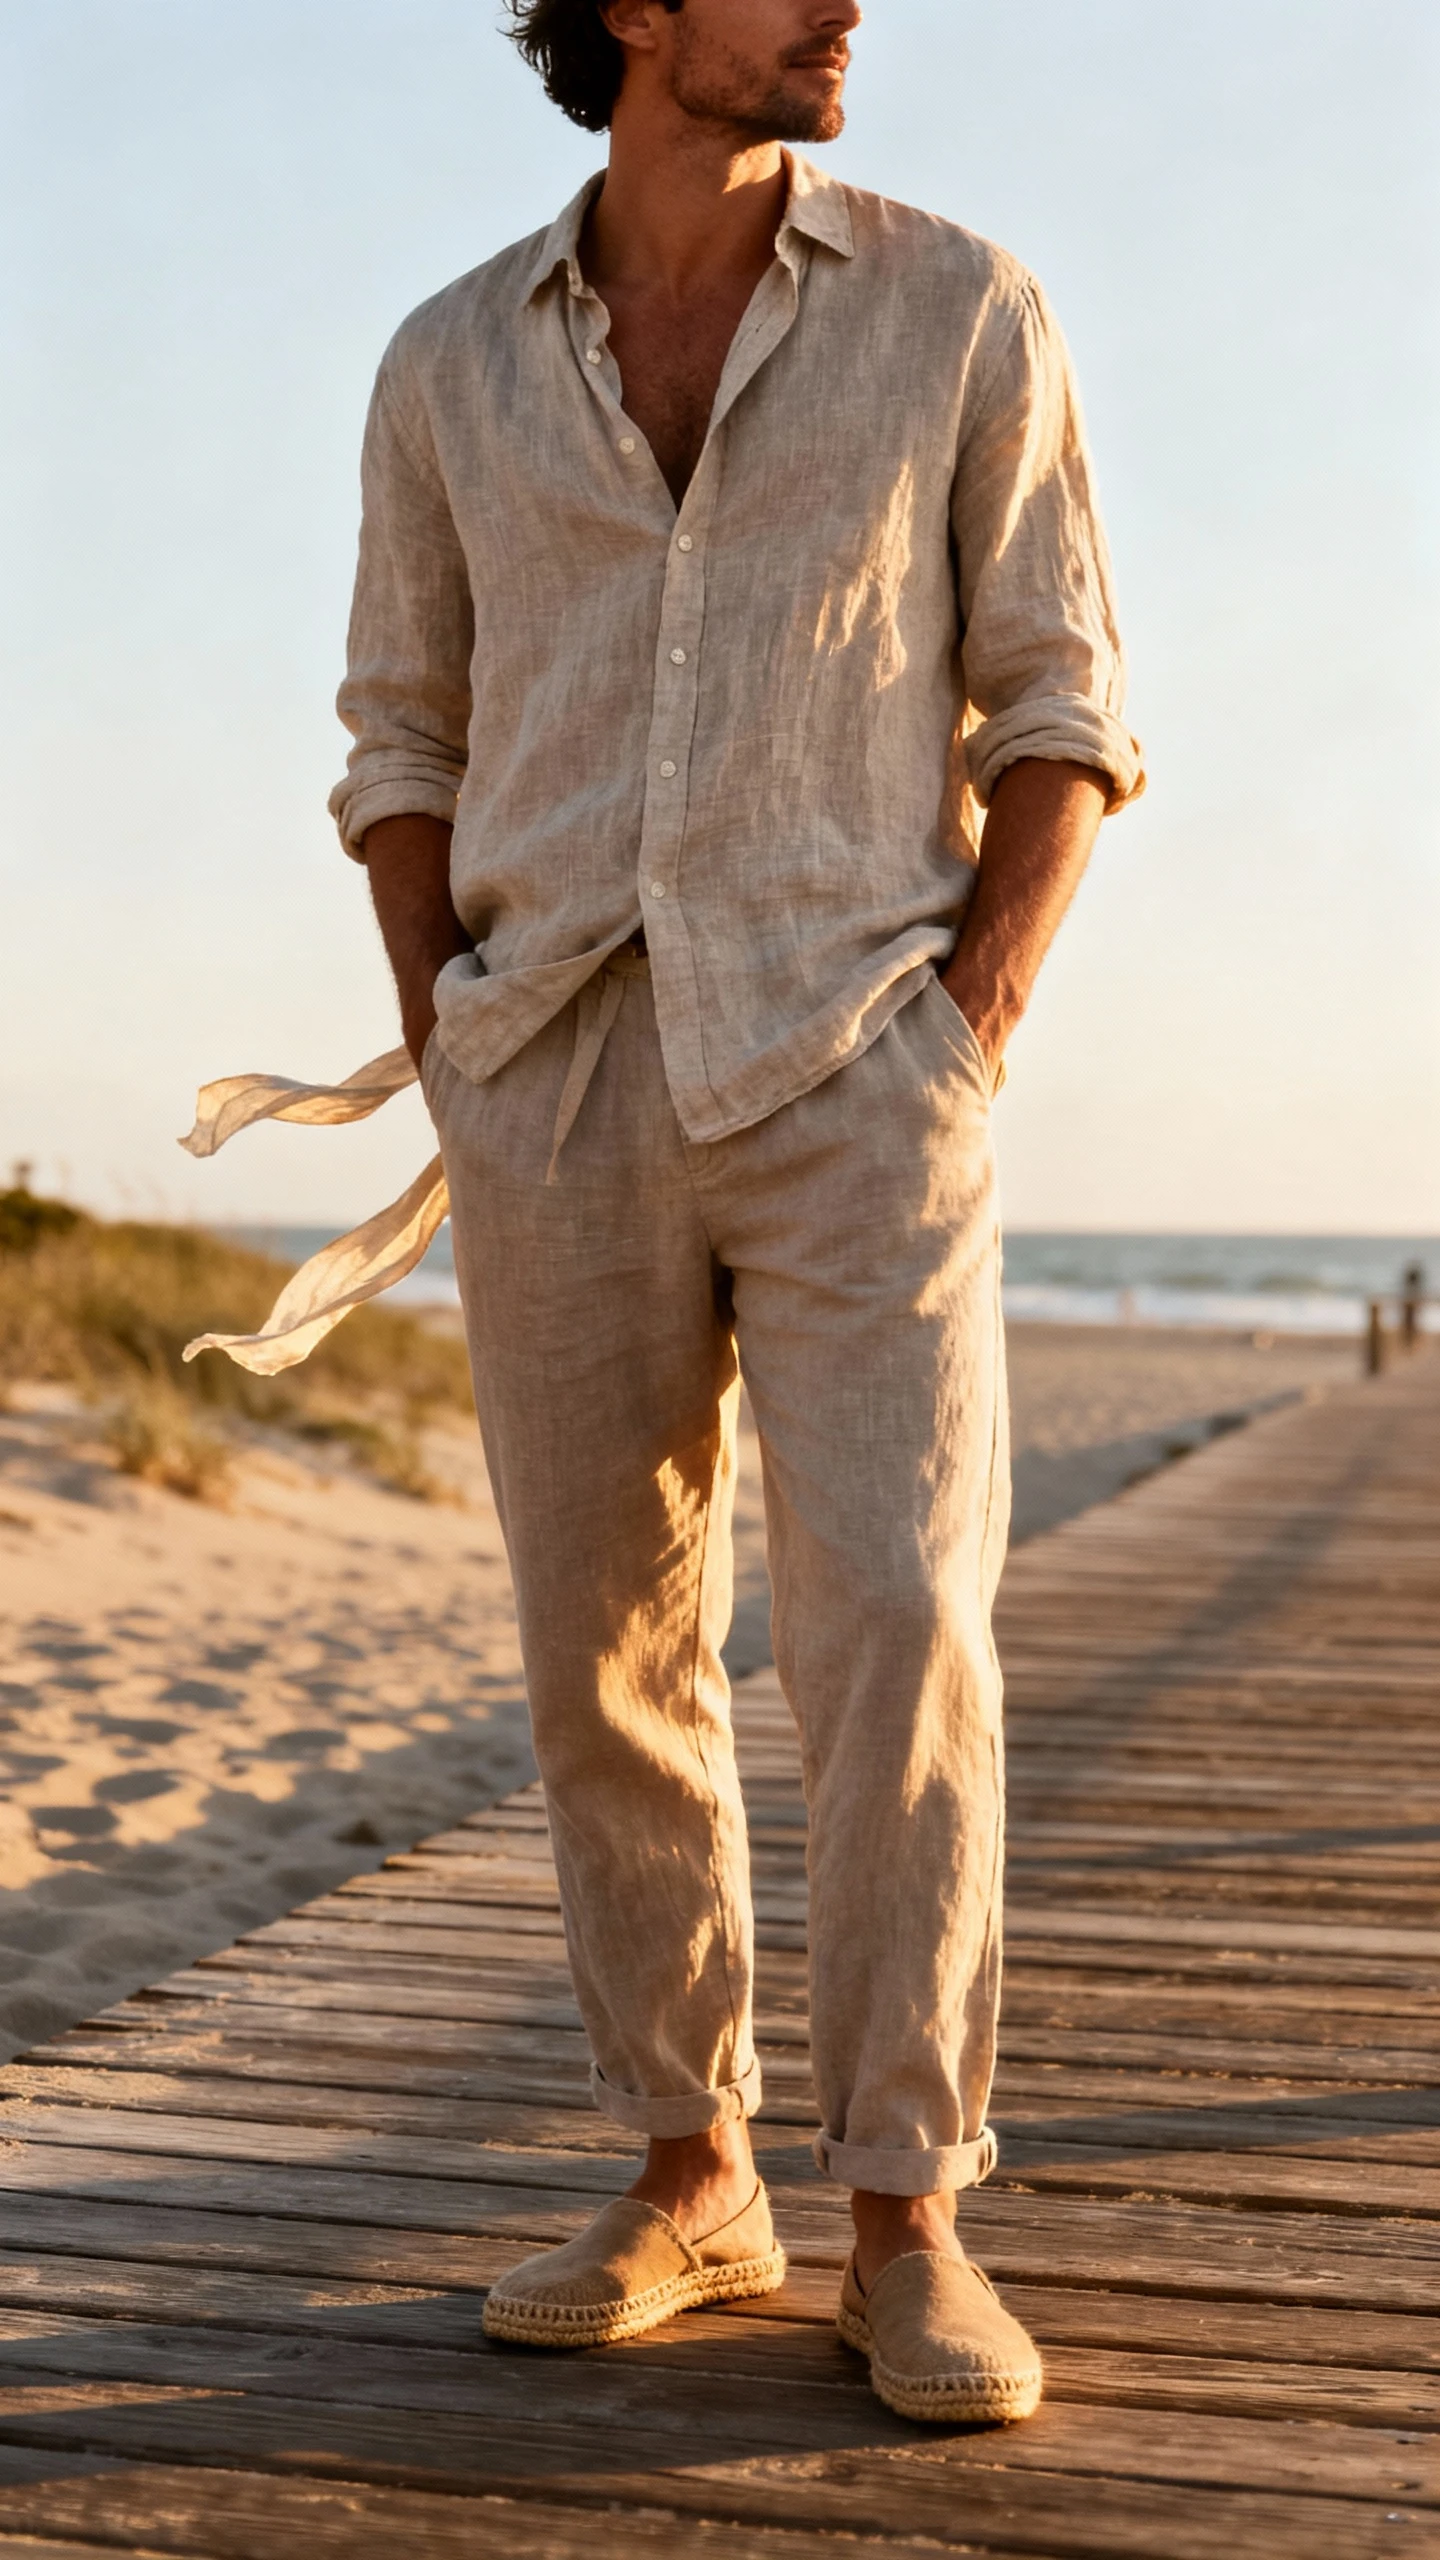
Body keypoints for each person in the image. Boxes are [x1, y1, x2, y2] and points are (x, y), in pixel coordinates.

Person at [329, 0, 1143, 2424]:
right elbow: (401, 727)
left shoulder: (958, 305)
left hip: (855, 1062)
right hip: (554, 1062)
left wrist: (970, 1016)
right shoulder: (449, 363)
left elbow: (1064, 698)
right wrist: (449, 1030)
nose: (851, 4)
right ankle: (692, 2167)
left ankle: (913, 2209)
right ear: (636, 11)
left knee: (898, 1617)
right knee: (607, 1649)